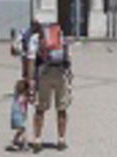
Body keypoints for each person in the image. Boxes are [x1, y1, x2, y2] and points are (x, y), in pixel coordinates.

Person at [28, 22, 72, 153]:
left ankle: (37, 139)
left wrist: (30, 80)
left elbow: (31, 60)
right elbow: (68, 58)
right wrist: (69, 79)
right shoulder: (61, 36)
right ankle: (61, 139)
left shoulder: (35, 38)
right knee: (62, 108)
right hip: (60, 74)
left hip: (43, 74)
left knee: (40, 108)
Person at [9, 79, 30, 152]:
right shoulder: (22, 98)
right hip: (19, 117)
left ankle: (14, 142)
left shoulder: (16, 96)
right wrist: (24, 113)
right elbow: (22, 107)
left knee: (20, 131)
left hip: (15, 117)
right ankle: (25, 144)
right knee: (23, 131)